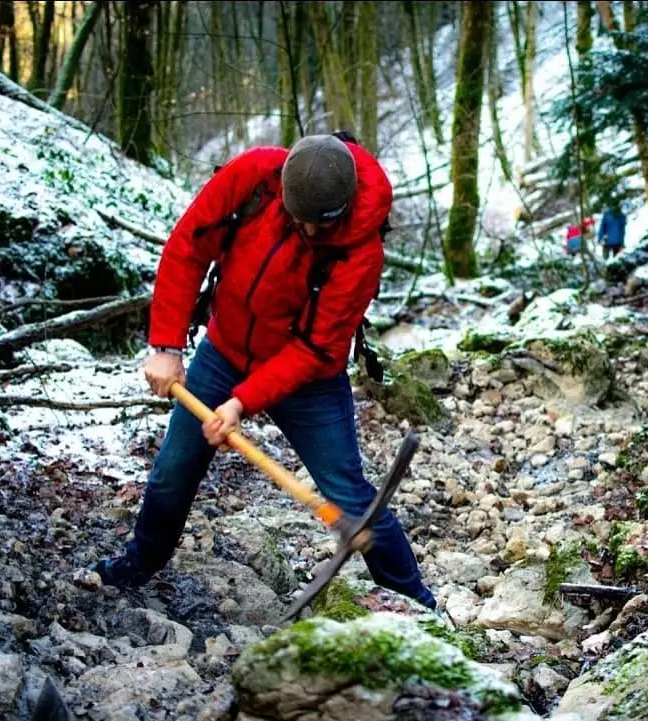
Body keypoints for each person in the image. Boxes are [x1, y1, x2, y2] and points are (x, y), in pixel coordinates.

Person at [91, 134, 437, 610]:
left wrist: (240, 402)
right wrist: (167, 345)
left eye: (323, 225)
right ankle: (138, 565)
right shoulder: (251, 179)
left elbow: (315, 348)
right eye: (301, 223)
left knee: (349, 494)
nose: (311, 234)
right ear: (282, 191)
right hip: (224, 349)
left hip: (309, 379)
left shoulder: (361, 253)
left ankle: (418, 606)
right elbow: (188, 249)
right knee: (172, 472)